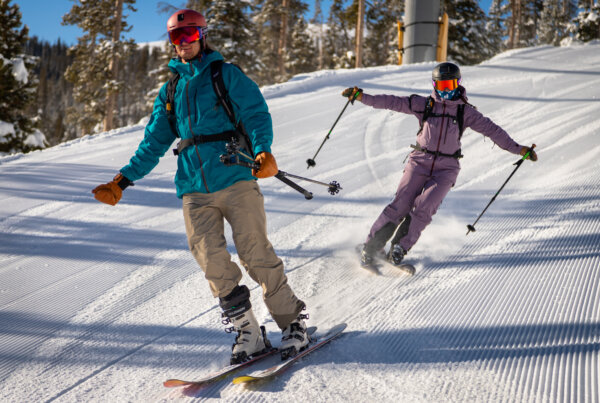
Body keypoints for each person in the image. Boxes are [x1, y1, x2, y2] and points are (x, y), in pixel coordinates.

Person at [91, 9, 309, 363]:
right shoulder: (170, 90)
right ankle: (248, 332)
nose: (184, 43)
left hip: (236, 176)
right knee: (211, 261)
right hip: (193, 187)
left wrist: (262, 150)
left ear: (202, 36)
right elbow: (154, 142)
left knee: (255, 253)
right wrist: (123, 180)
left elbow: (255, 114)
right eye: (177, 37)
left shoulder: (226, 74)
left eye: (189, 35)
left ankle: (291, 322)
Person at [342, 62, 538, 269]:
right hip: (419, 162)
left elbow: (494, 131)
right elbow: (392, 102)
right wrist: (363, 97)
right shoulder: (424, 104)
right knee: (401, 204)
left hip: (447, 169)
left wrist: (519, 149)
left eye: (451, 85)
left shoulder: (465, 112)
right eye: (443, 86)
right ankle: (372, 246)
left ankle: (400, 247)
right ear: (435, 85)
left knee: (425, 207)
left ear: (459, 84)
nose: (447, 91)